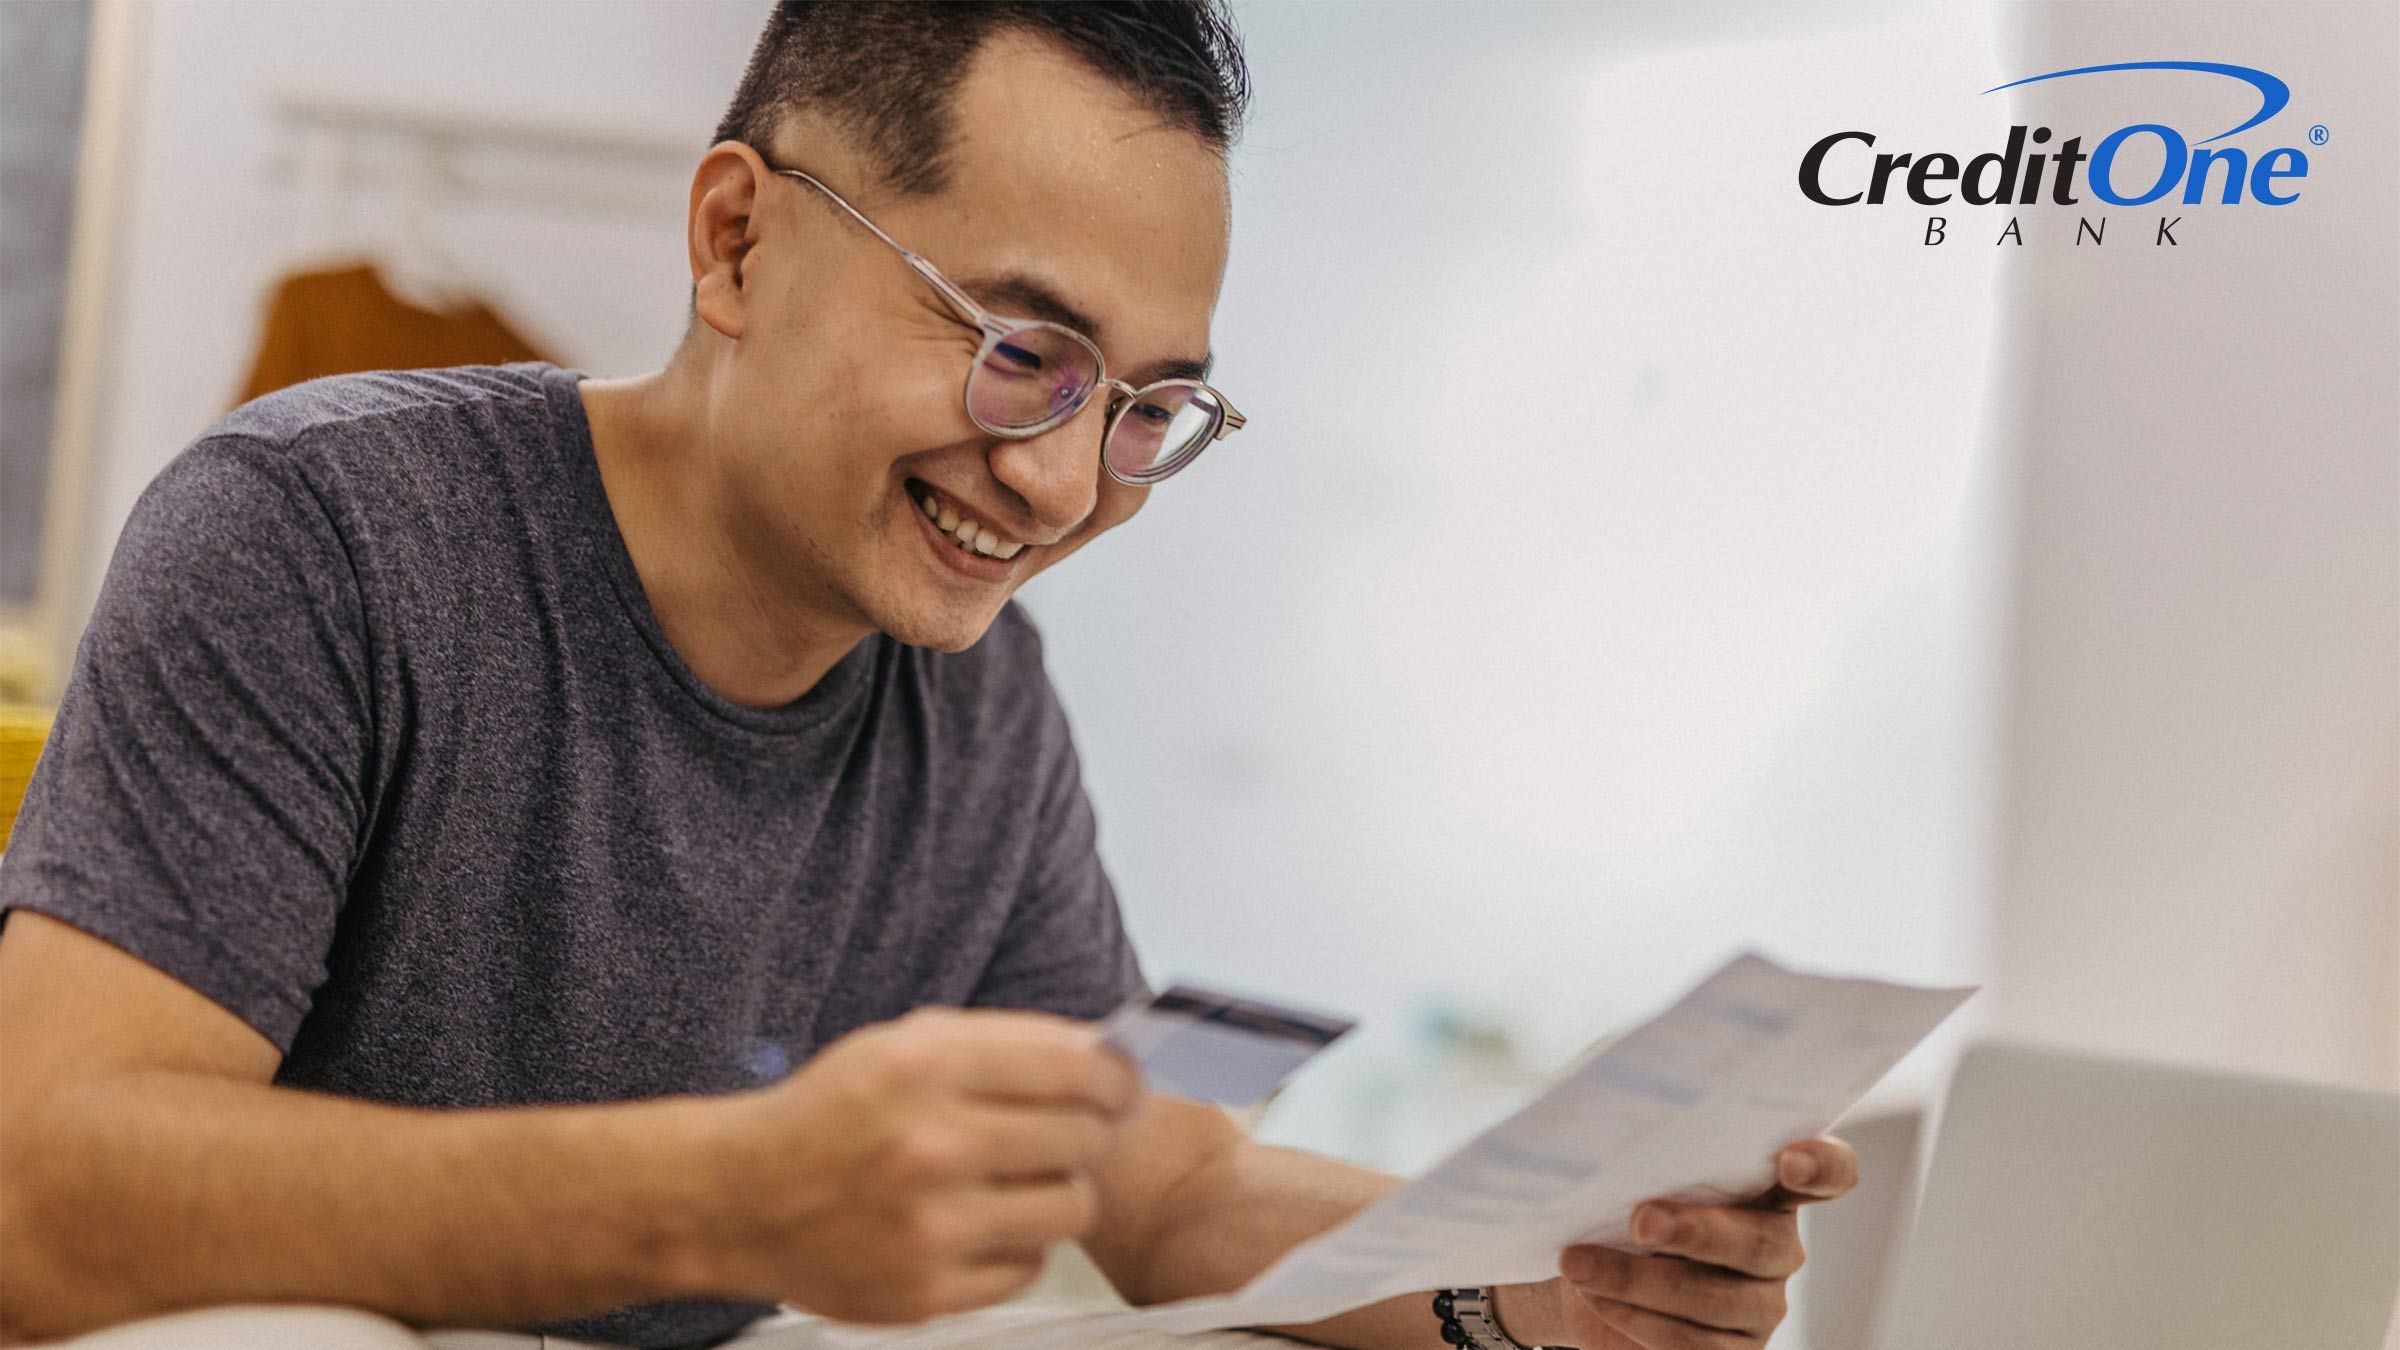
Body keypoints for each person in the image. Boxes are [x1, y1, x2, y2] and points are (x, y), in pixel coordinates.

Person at [0, 4, 1859, 1348]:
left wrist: (1542, 1282)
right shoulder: (321, 533)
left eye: (1146, 408)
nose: (1063, 482)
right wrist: (731, 1194)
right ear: (738, 239)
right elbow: (45, 1202)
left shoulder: (976, 705)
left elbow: (1172, 1190)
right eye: (1023, 348)